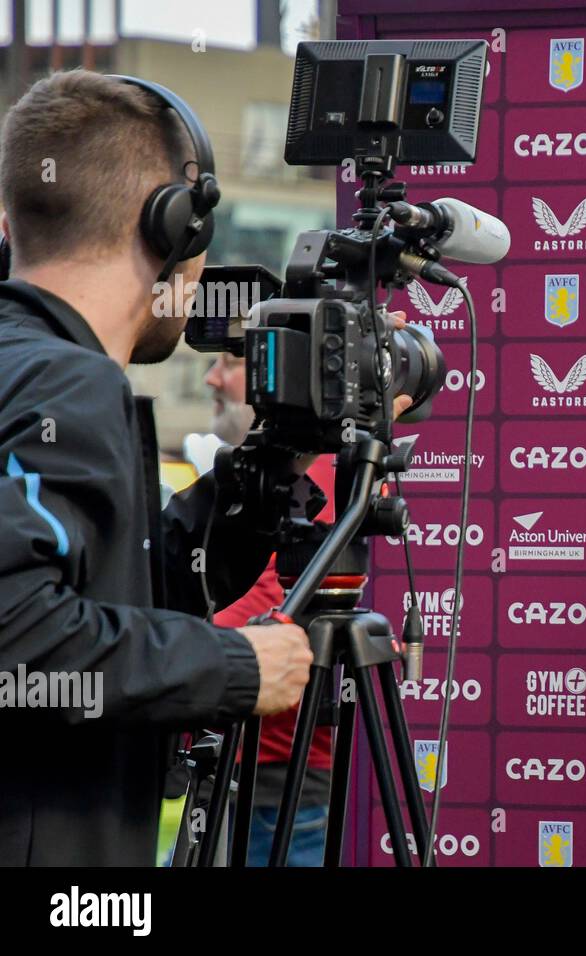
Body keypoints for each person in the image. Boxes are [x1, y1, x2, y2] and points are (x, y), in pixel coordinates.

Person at [0, 69, 310, 865]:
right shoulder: (67, 379)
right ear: (174, 227)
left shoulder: (31, 365)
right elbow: (19, 640)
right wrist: (235, 666)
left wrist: (257, 478)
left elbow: (93, 590)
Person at [198, 352, 335, 866]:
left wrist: (165, 651)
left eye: (232, 362)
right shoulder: (255, 476)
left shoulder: (318, 477)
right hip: (233, 765)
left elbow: (265, 608)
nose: (212, 377)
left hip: (282, 786)